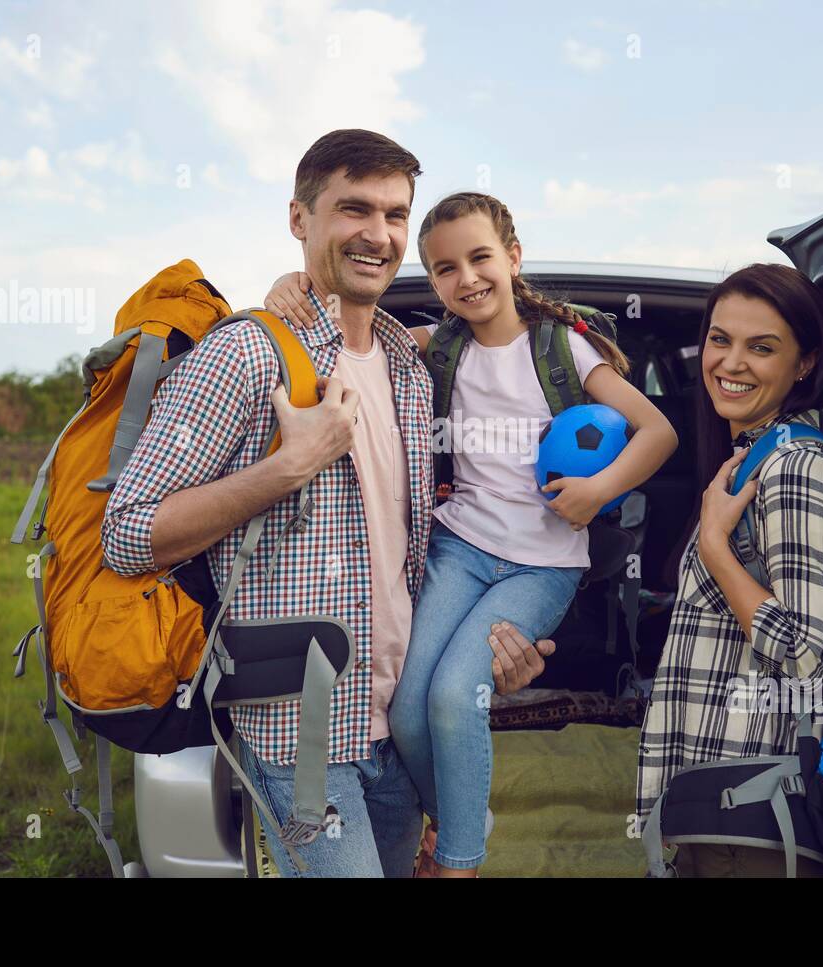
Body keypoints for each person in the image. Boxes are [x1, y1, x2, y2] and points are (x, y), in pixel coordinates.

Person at [101, 131, 557, 878]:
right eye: (354, 208)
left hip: (400, 733)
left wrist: (498, 648)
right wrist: (288, 467)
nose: (378, 234)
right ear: (299, 219)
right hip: (303, 737)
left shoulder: (410, 365)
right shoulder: (245, 354)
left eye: (395, 214)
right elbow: (126, 534)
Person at [264, 191, 678, 876]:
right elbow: (352, 330)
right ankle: (460, 812)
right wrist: (294, 285)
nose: (467, 278)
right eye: (445, 269)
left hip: (540, 564)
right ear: (433, 283)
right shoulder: (439, 345)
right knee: (405, 711)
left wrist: (600, 491)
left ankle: (459, 859)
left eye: (480, 257)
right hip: (459, 549)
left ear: (513, 258)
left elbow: (657, 431)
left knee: (456, 694)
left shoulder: (564, 348)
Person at [634, 262, 823, 876]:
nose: (730, 364)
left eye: (762, 348)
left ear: (804, 363)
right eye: (720, 339)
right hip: (719, 796)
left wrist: (713, 546)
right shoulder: (752, 455)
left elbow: (807, 655)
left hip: (754, 808)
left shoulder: (795, 468)